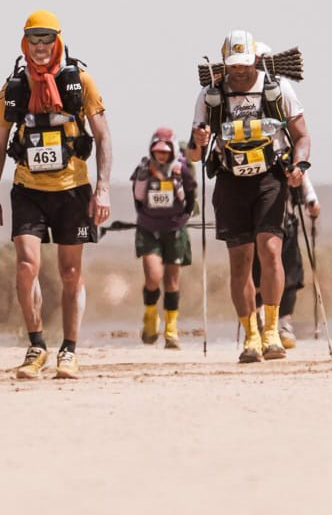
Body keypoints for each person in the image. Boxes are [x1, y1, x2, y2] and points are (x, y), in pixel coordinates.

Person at [0, 10, 112, 379]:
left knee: (71, 273)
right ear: (25, 43)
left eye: (47, 40)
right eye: (33, 40)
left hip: (73, 190)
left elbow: (103, 136)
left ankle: (69, 351)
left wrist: (102, 189)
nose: (40, 48)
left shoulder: (80, 81)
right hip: (28, 189)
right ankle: (36, 344)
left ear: (57, 41)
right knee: (26, 265)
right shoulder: (14, 89)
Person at [187, 29, 312, 363]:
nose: (240, 70)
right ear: (225, 64)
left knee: (271, 250)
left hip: (270, 179)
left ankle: (272, 331)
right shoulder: (211, 95)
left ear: (256, 59)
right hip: (230, 181)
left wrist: (300, 165)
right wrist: (199, 140)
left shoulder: (277, 89)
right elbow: (193, 155)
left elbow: (302, 135)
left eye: (245, 63)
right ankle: (251, 336)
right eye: (233, 65)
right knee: (239, 261)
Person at [131, 127, 197, 349]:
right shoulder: (143, 170)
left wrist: (183, 217)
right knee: (153, 276)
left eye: (165, 151)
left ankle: (171, 329)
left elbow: (191, 195)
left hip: (175, 231)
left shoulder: (182, 170)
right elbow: (137, 198)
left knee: (171, 281)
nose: (160, 155)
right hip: (149, 230)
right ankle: (150, 317)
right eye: (157, 150)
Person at [252, 175, 320, 349]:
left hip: (286, 224)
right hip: (256, 224)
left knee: (289, 274)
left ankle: (283, 324)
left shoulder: (288, 159)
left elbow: (304, 181)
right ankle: (259, 321)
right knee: (257, 273)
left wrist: (311, 201)